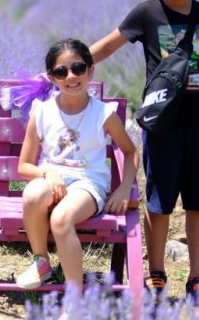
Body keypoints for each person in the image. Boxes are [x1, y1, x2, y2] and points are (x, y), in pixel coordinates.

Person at [90, 0, 199, 306]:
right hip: (163, 126)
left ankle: (198, 279)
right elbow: (108, 45)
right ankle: (156, 274)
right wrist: (68, 66)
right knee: (158, 202)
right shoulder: (147, 14)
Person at [14, 39, 138, 292]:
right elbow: (24, 166)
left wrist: (125, 187)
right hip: (52, 180)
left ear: (90, 71)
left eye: (78, 68)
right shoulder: (42, 112)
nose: (71, 76)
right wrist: (47, 172)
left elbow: (130, 151)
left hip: (87, 183)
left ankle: (75, 298)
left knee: (61, 219)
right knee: (32, 195)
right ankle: (41, 262)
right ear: (52, 78)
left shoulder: (104, 114)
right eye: (61, 71)